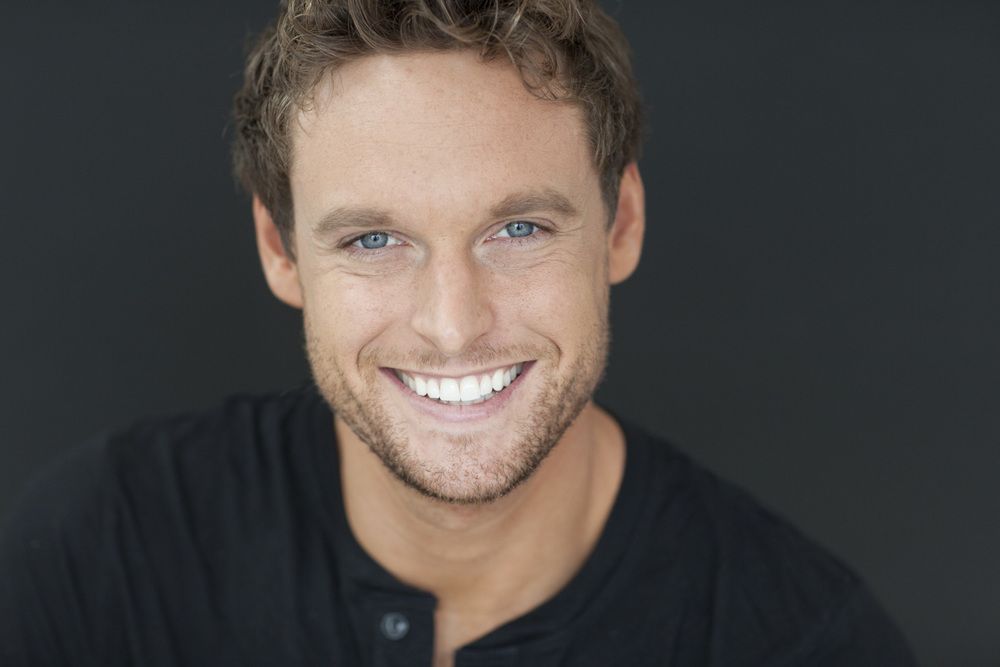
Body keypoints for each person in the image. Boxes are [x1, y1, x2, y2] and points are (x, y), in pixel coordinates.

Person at [0, 1, 917, 665]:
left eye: (518, 228)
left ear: (622, 224)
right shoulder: (100, 556)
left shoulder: (800, 641)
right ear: (280, 250)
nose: (452, 324)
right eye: (373, 240)